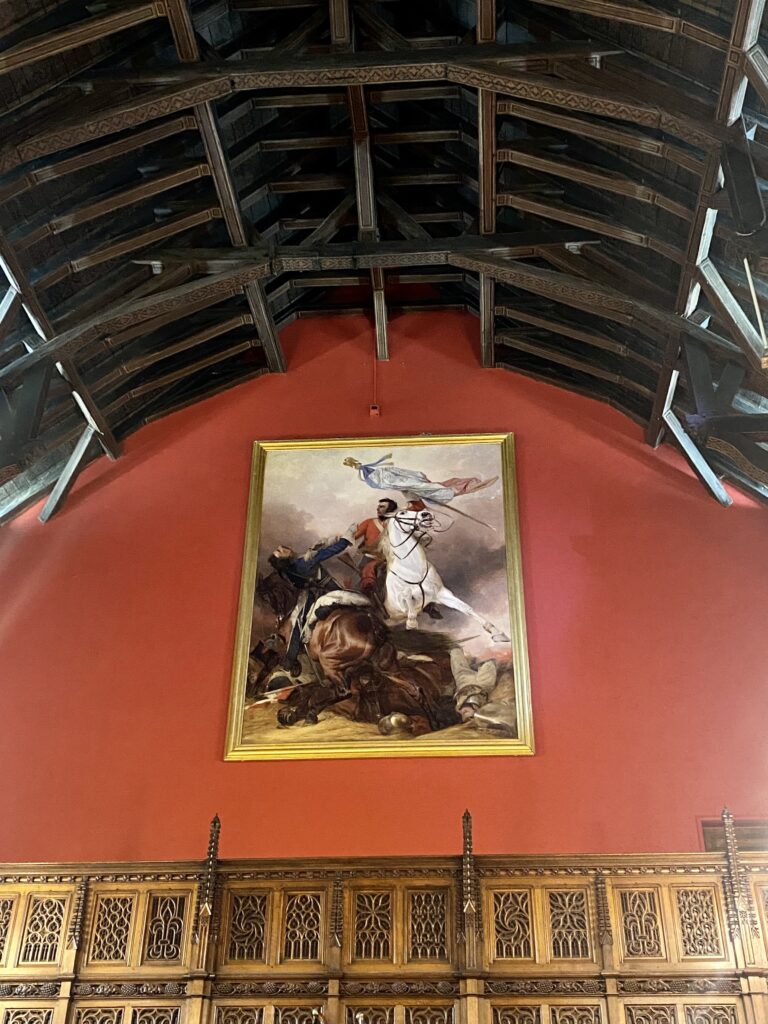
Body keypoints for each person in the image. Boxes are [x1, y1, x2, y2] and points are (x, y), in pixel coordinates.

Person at [268, 532, 354, 675]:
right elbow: (327, 552)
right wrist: (346, 539)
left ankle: (290, 660)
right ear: (284, 559)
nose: (280, 547)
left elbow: (318, 549)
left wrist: (329, 541)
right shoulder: (303, 562)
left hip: (310, 594)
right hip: (327, 591)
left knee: (298, 624)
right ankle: (290, 659)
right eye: (279, 551)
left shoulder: (288, 568)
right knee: (299, 624)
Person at [343, 453, 497, 505]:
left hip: (417, 485)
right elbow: (398, 482)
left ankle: (472, 485)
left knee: (445, 486)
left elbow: (400, 476)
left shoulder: (379, 474)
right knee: (443, 490)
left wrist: (417, 479)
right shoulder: (376, 478)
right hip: (417, 487)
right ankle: (469, 487)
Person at [353, 497, 397, 600]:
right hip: (368, 559)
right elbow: (352, 536)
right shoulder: (369, 522)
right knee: (356, 587)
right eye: (378, 507)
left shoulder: (396, 525)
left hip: (390, 560)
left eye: (382, 507)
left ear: (390, 510)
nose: (378, 509)